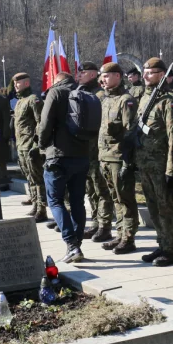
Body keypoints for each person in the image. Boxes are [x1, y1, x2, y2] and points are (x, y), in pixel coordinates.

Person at [38, 72, 90, 262]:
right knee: (78, 202)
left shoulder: (56, 93)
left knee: (56, 201)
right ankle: (77, 245)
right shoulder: (84, 92)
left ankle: (71, 244)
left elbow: (45, 124)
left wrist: (42, 145)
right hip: (82, 157)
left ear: (57, 81)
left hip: (58, 157)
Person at [137, 57, 173, 267]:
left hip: (161, 163)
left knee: (166, 208)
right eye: (145, 72)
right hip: (144, 163)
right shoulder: (144, 97)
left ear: (162, 75)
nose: (146, 75)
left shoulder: (169, 99)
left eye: (151, 72)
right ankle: (162, 243)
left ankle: (171, 249)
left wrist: (172, 168)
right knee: (153, 207)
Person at [97, 62, 140, 254]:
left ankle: (129, 238)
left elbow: (130, 133)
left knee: (126, 199)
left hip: (118, 157)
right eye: (102, 76)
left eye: (106, 76)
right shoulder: (105, 100)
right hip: (105, 157)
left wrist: (127, 162)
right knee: (115, 198)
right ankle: (120, 234)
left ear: (117, 76)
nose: (103, 80)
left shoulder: (126, 100)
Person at [78, 61, 114, 242]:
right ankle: (95, 222)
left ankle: (105, 226)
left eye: (83, 73)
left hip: (98, 151)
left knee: (101, 190)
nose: (79, 76)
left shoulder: (100, 96)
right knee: (90, 190)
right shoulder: (84, 93)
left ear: (93, 74)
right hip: (85, 150)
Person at [12, 73, 47, 222]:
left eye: (17, 83)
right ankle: (35, 203)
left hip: (30, 146)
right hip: (21, 146)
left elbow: (40, 122)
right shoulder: (20, 102)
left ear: (26, 83)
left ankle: (42, 209)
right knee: (30, 178)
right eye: (14, 84)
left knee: (38, 178)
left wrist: (36, 144)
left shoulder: (34, 99)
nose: (15, 86)